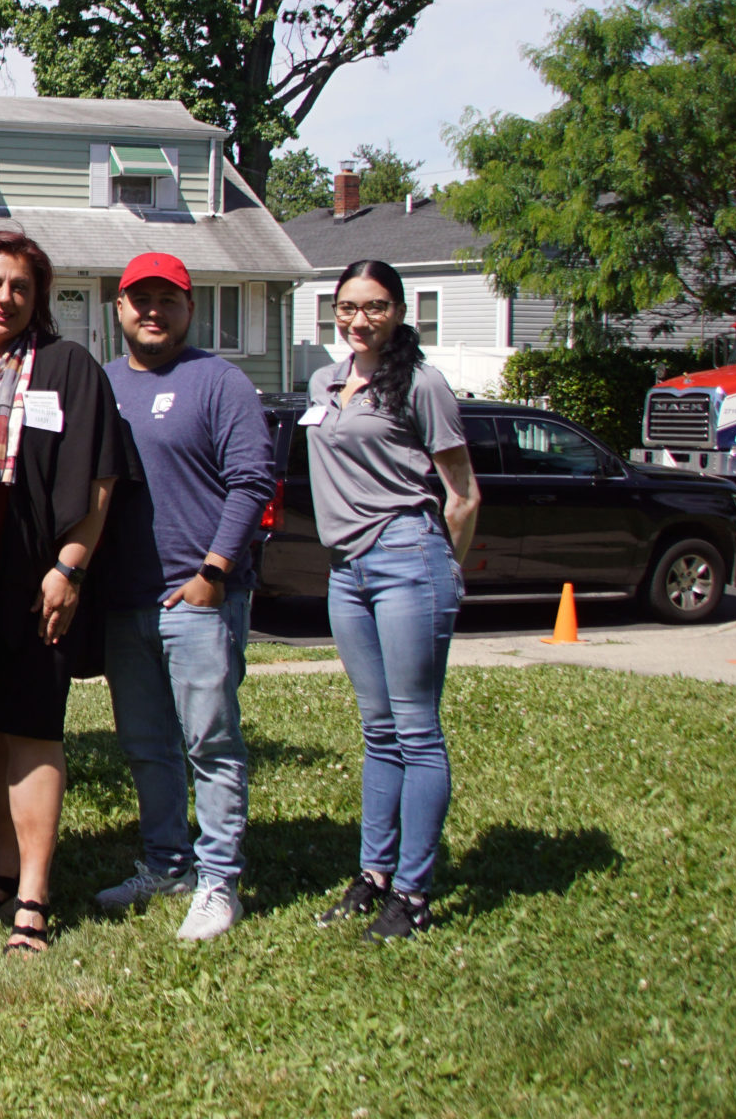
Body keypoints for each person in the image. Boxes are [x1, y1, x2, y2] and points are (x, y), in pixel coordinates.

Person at [0, 232, 129, 955]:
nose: (4, 297)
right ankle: (0, 869)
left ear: (37, 297)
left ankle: (34, 896)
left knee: (34, 727)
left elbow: (100, 476)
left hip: (35, 571)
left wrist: (69, 567)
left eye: (20, 286)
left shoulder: (67, 367)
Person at [92, 252, 277, 942]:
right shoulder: (104, 384)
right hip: (126, 601)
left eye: (167, 299)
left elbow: (252, 481)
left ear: (188, 309)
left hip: (198, 597)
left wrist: (213, 573)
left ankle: (219, 881)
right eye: (140, 298)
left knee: (211, 743)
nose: (152, 311)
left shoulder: (219, 382)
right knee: (147, 745)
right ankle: (166, 864)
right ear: (119, 307)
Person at [305, 258, 482, 941]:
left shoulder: (421, 385)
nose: (360, 319)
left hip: (408, 557)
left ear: (399, 312)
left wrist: (445, 570)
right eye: (348, 307)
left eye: (375, 306)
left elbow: (462, 494)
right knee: (377, 730)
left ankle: (413, 893)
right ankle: (374, 876)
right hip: (346, 570)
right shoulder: (325, 382)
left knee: (416, 729)